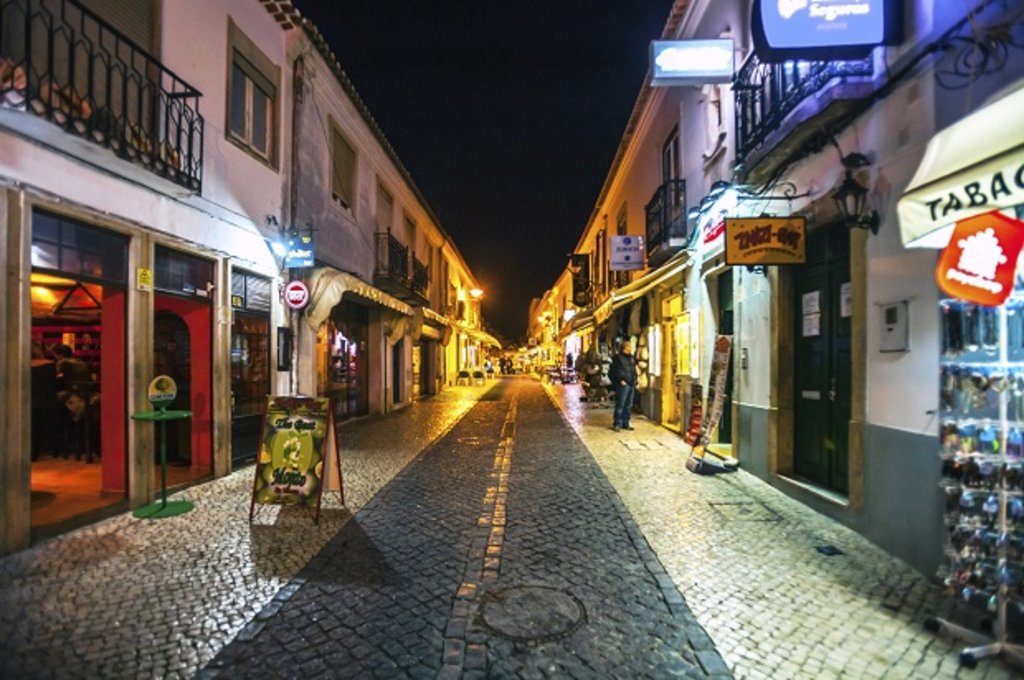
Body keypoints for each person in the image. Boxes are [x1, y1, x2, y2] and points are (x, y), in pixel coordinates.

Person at [608, 340, 637, 432]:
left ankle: (626, 422)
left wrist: (635, 379)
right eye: (629, 346)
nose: (631, 348)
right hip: (623, 384)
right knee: (621, 404)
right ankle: (617, 423)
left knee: (629, 404)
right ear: (625, 347)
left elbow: (633, 369)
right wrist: (620, 380)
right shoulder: (618, 358)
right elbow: (613, 371)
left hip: (631, 383)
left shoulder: (631, 358)